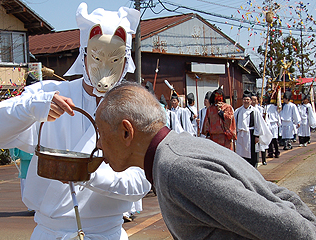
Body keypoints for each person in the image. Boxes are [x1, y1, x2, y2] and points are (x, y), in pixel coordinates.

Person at [0, 3, 150, 240]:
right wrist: (33, 108)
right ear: (84, 54)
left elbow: (140, 184)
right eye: (97, 56)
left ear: (126, 60)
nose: (104, 69)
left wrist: (89, 175)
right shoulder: (50, 95)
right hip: (50, 232)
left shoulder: (134, 110)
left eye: (116, 58)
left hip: (107, 233)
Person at [95, 81, 316, 240]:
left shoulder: (177, 169)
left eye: (101, 134)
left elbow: (288, 228)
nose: (98, 145)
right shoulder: (180, 149)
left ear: (126, 132)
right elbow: (275, 195)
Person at [234, 90, 272, 168]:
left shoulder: (255, 111)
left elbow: (259, 124)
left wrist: (257, 136)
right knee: (241, 154)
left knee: (252, 153)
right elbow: (234, 123)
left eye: (248, 99)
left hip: (251, 134)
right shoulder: (238, 111)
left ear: (251, 101)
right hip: (241, 135)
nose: (246, 101)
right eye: (244, 99)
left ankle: (253, 167)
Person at [250, 92, 268, 165]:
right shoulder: (249, 109)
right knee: (255, 147)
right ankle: (255, 161)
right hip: (253, 130)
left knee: (262, 145)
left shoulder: (260, 109)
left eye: (255, 100)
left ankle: (264, 159)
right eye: (252, 99)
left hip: (261, 128)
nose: (254, 101)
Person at [264, 94, 281, 158]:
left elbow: (277, 114)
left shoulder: (273, 107)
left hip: (273, 124)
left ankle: (275, 152)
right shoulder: (265, 107)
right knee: (271, 139)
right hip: (270, 124)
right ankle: (272, 152)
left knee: (273, 139)